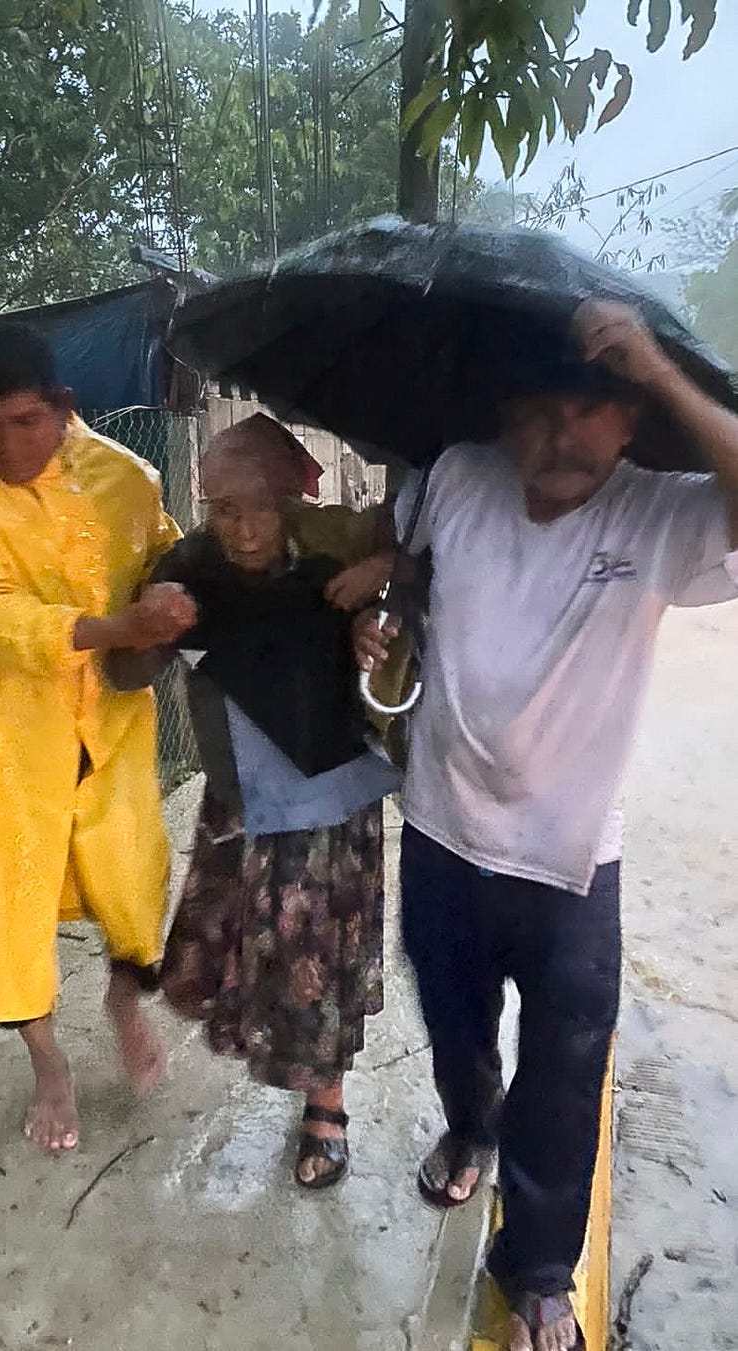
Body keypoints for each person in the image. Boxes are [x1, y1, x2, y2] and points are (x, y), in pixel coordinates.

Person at [356, 300, 738, 1351]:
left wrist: (660, 369)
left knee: (566, 1069)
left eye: (592, 408)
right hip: (440, 829)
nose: (561, 434)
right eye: (539, 409)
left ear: (628, 421)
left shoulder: (664, 514)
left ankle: (537, 1270)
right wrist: (383, 612)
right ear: (505, 413)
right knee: (456, 1023)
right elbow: (411, 570)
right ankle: (470, 1126)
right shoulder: (454, 477)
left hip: (573, 861)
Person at [0, 325, 198, 1154]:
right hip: (3, 735)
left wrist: (172, 602)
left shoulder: (123, 476)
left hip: (109, 724)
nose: (4, 443)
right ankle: (49, 1066)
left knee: (133, 879)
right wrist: (116, 624)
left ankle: (124, 999)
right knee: (12, 902)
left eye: (25, 421)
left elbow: (167, 556)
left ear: (64, 407)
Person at [106, 413, 400, 1188]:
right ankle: (267, 1054)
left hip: (333, 793)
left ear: (291, 496)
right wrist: (145, 627)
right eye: (221, 507)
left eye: (256, 505)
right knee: (235, 951)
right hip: (241, 796)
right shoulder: (191, 566)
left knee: (319, 960)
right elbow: (126, 677)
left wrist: (374, 617)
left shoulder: (336, 546)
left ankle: (325, 1107)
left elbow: (420, 589)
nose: (238, 527)